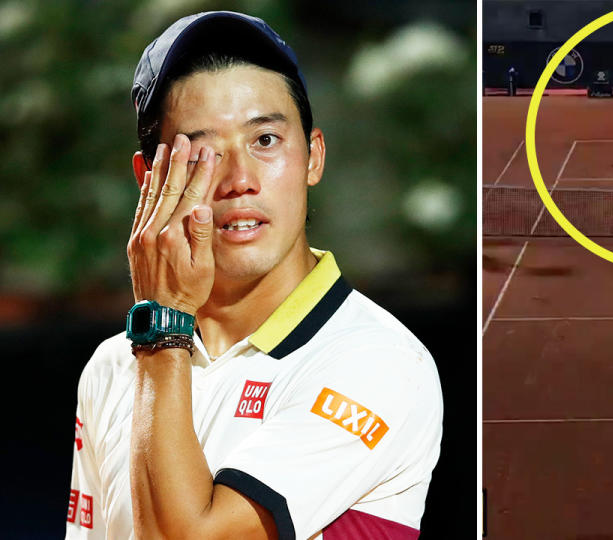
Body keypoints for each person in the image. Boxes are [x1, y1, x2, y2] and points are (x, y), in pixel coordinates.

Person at [66, 11, 443, 539]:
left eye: (265, 140)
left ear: (313, 156)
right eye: (201, 154)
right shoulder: (112, 367)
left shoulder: (379, 361)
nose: (240, 180)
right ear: (149, 181)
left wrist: (162, 327)